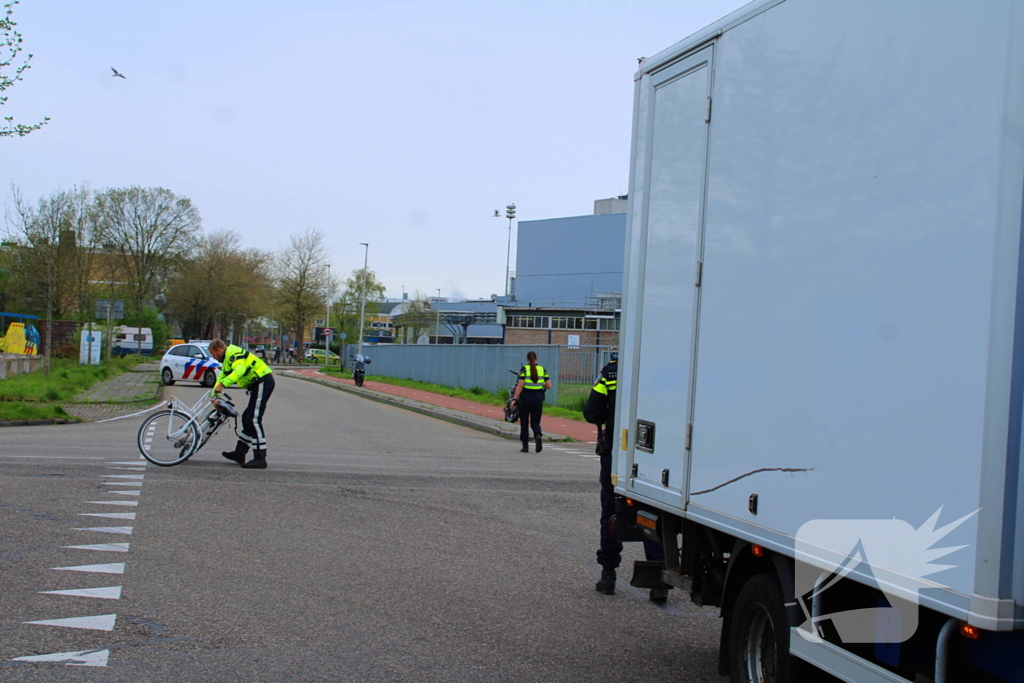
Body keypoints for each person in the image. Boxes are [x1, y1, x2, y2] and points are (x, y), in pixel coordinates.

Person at [583, 352, 669, 602]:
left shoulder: (611, 371)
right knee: (653, 512)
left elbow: (592, 412)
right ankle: (659, 581)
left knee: (612, 512)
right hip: (653, 453)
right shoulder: (658, 369)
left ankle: (608, 575)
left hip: (617, 452)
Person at [209, 339, 275, 470]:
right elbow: (222, 376)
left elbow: (240, 370)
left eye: (213, 354)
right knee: (247, 417)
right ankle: (240, 452)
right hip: (257, 384)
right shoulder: (227, 358)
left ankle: (260, 457)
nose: (213, 357)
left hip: (262, 381)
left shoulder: (234, 354)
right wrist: (214, 396)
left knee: (254, 419)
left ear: (218, 350)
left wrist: (223, 385)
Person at [511, 351, 552, 453]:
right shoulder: (542, 369)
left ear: (527, 359)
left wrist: (514, 399)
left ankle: (525, 445)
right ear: (536, 359)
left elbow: (520, 385)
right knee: (535, 422)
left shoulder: (524, 369)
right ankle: (538, 435)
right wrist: (541, 383)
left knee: (524, 422)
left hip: (526, 398)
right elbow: (549, 386)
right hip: (538, 398)